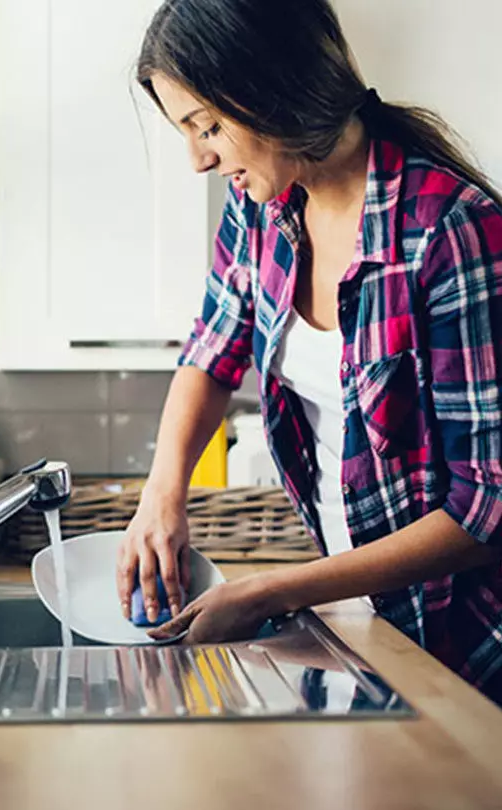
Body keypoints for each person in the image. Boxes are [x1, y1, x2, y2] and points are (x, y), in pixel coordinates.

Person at [115, 0, 502, 706]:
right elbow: (212, 350)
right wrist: (161, 495)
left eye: (207, 126)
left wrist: (276, 589)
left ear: (273, 90)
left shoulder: (451, 231)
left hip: (467, 643)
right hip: (360, 617)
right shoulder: (263, 207)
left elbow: (488, 508)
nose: (199, 158)